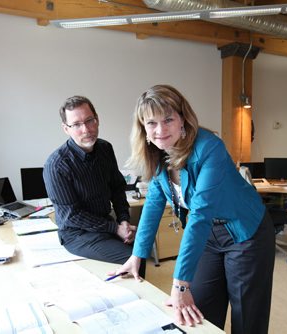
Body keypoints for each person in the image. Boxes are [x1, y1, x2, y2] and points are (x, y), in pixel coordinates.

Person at [112, 85, 275, 334]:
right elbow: (154, 203)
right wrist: (137, 255)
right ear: (143, 128)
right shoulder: (157, 155)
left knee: (247, 318)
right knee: (199, 311)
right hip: (209, 235)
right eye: (151, 123)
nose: (160, 130)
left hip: (245, 233)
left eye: (168, 119)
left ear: (182, 120)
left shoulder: (209, 148)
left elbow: (200, 214)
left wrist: (179, 284)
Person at [44, 95, 145, 277]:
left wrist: (123, 221)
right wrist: (115, 228)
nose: (86, 129)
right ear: (66, 129)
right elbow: (72, 216)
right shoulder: (56, 165)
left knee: (143, 247)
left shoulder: (105, 149)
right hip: (78, 235)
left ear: (97, 119)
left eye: (89, 120)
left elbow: (117, 188)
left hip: (106, 224)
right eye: (76, 125)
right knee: (131, 256)